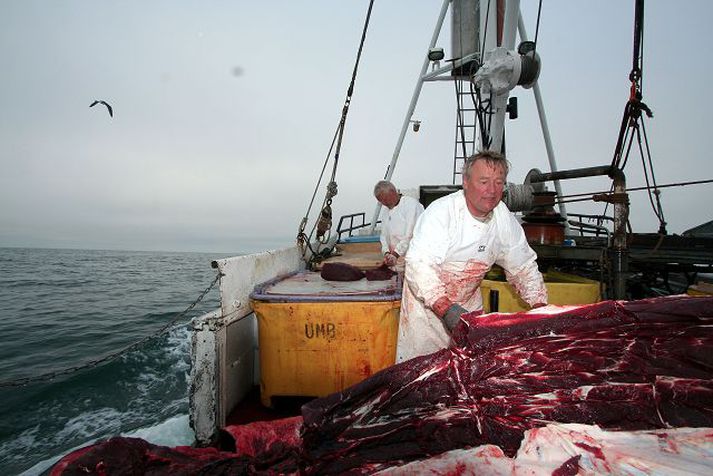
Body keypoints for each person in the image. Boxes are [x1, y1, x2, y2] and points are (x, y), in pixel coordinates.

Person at [398, 150, 547, 362]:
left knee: (469, 372)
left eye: (499, 182)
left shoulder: (503, 218)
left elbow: (522, 265)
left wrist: (540, 307)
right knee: (424, 373)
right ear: (465, 182)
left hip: (469, 305)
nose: (492, 190)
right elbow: (419, 264)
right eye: (484, 181)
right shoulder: (442, 212)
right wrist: (447, 309)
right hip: (426, 310)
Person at [373, 180, 424, 269]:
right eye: (380, 201)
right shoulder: (386, 211)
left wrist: (395, 254)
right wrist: (386, 253)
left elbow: (410, 235)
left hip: (414, 260)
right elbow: (384, 236)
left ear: (392, 192)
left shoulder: (411, 205)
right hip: (396, 261)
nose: (383, 203)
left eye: (384, 199)